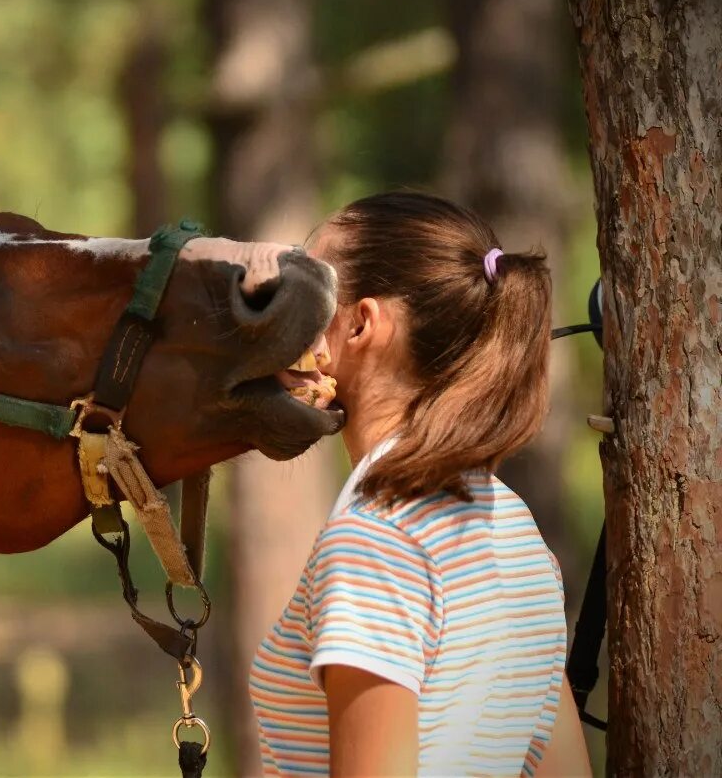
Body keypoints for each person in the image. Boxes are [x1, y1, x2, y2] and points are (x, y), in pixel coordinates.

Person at [251, 192, 590, 776]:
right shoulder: (512, 526)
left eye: (303, 293)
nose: (276, 319)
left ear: (359, 325)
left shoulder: (374, 540)